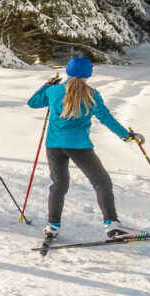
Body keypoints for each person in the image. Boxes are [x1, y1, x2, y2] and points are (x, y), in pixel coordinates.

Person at [27, 56, 142, 244]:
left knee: (59, 184)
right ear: (88, 74)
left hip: (54, 146)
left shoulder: (54, 91)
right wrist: (125, 135)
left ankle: (52, 227)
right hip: (80, 146)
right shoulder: (92, 94)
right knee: (101, 182)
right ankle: (112, 224)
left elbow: (32, 102)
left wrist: (47, 85)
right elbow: (106, 118)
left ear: (67, 72)